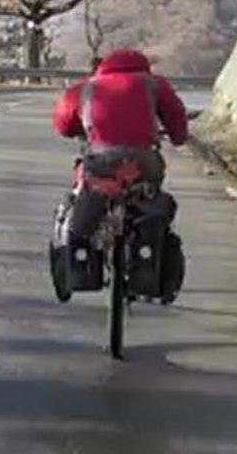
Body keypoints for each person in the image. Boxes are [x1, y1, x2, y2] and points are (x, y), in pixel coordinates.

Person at [48, 48, 189, 302]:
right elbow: (178, 127)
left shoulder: (85, 87)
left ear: (102, 67)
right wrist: (174, 136)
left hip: (99, 162)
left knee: (80, 198)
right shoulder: (154, 84)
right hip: (144, 163)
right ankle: (147, 261)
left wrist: (79, 128)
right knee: (150, 198)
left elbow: (61, 124)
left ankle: (79, 263)